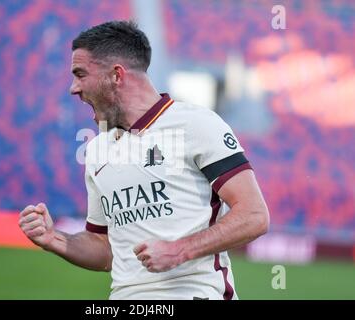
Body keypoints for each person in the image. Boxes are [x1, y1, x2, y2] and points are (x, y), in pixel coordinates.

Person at [18, 20, 269, 300]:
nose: (73, 88)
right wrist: (55, 239)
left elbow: (254, 215)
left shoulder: (196, 124)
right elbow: (107, 250)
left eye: (80, 74)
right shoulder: (98, 149)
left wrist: (180, 249)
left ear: (116, 75)